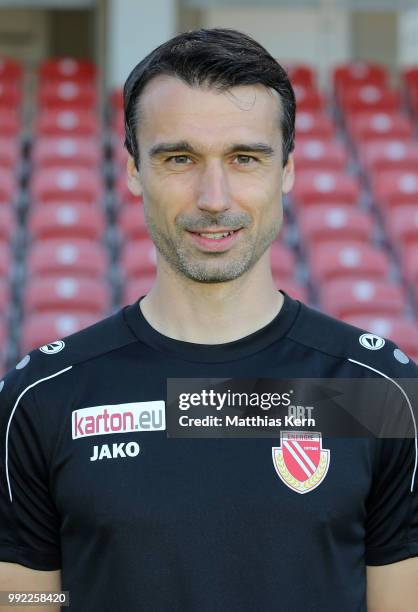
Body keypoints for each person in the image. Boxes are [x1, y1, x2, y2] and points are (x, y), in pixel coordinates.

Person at [0, 28, 417, 612]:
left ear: (287, 171)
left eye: (244, 158)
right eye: (179, 158)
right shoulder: (43, 397)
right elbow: (24, 600)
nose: (214, 197)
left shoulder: (376, 392)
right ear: (133, 171)